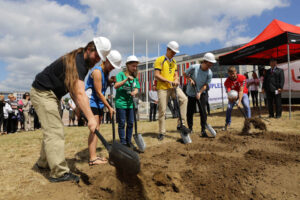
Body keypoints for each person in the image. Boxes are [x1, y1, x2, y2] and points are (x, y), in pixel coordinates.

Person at [30, 36, 111, 183]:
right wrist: (91, 118)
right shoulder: (78, 62)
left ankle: (43, 163)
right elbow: (80, 93)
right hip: (43, 92)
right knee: (55, 131)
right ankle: (59, 173)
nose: (97, 59)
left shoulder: (82, 62)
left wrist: (81, 109)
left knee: (51, 130)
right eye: (96, 55)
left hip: (52, 94)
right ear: (89, 49)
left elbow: (73, 90)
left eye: (100, 57)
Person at [85, 50, 121, 166]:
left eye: (114, 67)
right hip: (91, 103)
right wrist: (110, 107)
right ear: (106, 61)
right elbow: (99, 93)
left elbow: (103, 84)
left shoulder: (105, 73)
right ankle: (92, 158)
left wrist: (110, 80)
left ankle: (94, 156)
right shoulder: (97, 72)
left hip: (98, 103)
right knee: (94, 130)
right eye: (111, 65)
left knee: (97, 129)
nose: (112, 68)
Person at [154, 41, 189, 141]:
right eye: (172, 51)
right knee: (162, 111)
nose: (174, 54)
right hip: (162, 88)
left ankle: (181, 123)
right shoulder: (159, 60)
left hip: (173, 87)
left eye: (175, 52)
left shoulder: (174, 62)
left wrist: (176, 80)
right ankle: (161, 132)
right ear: (168, 49)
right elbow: (157, 75)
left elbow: (176, 75)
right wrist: (168, 81)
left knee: (184, 99)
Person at [183, 52, 215, 136]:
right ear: (205, 61)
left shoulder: (209, 73)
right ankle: (190, 128)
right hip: (191, 92)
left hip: (201, 92)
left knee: (203, 111)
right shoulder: (194, 67)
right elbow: (184, 74)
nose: (211, 65)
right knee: (190, 111)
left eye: (212, 63)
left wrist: (200, 93)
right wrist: (190, 80)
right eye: (210, 63)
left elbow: (205, 85)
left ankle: (203, 130)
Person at [114, 55, 140, 148]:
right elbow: (116, 86)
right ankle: (123, 142)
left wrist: (134, 92)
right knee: (121, 123)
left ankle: (129, 141)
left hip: (130, 104)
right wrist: (126, 79)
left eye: (136, 66)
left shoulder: (135, 77)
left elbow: (137, 88)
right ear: (128, 65)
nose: (135, 68)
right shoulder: (120, 75)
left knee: (131, 123)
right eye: (133, 66)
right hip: (121, 103)